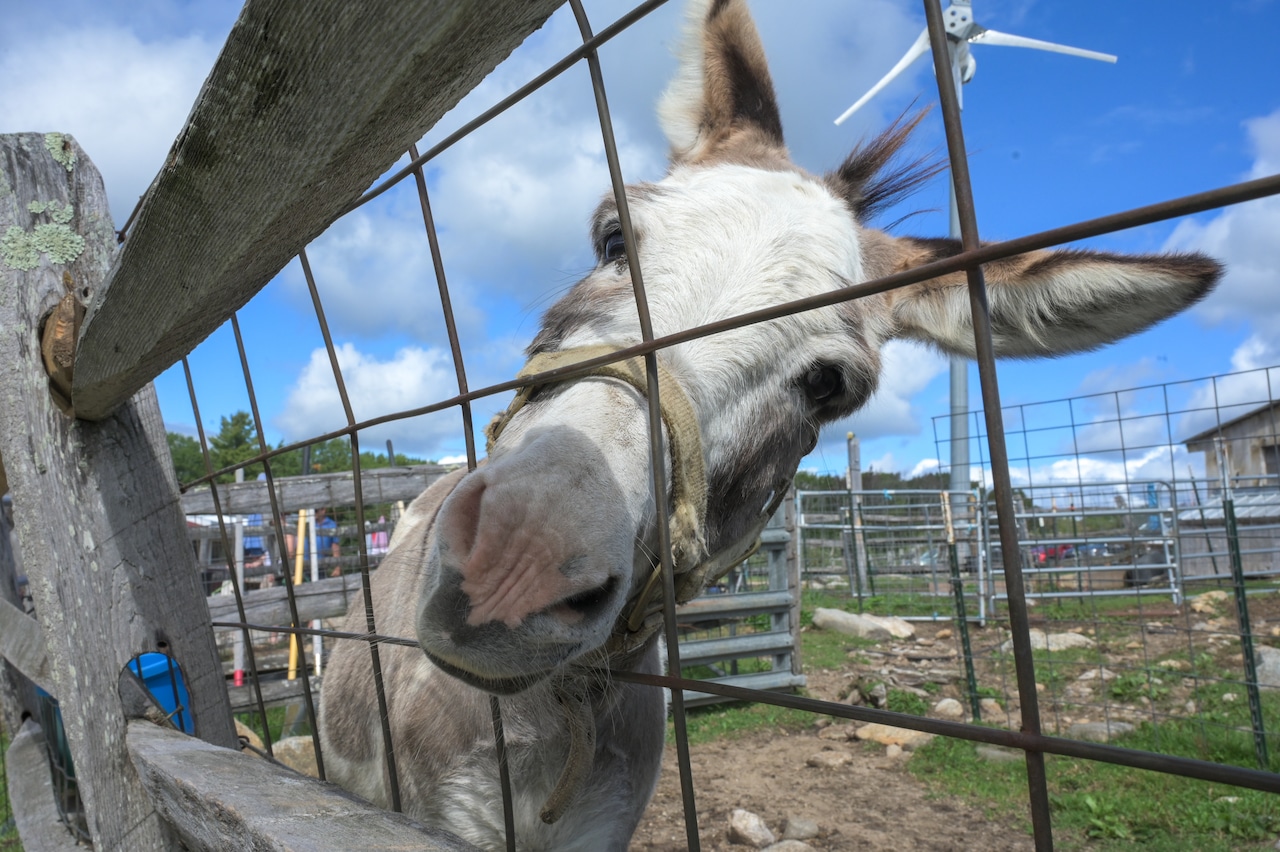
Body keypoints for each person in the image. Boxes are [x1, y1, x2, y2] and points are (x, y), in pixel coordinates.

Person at [286, 507, 342, 578]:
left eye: (315, 511)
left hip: (321, 565)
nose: (312, 513)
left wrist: (337, 567)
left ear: (323, 510)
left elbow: (335, 548)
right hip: (303, 565)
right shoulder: (306, 523)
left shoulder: (331, 525)